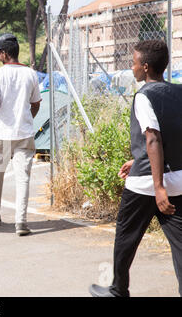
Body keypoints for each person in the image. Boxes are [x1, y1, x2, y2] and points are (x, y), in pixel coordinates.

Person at [89, 40, 182, 297]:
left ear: (145, 66)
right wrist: (139, 158)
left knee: (126, 237)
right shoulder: (179, 92)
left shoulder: (144, 95)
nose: (132, 68)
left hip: (147, 185)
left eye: (134, 63)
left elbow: (153, 138)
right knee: (180, 245)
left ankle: (119, 290)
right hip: (179, 180)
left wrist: (159, 187)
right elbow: (171, 135)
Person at [0, 33, 42, 237]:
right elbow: (36, 104)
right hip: (24, 132)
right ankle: (21, 221)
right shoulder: (31, 74)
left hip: (2, 133)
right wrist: (27, 118)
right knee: (22, 177)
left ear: (5, 53)